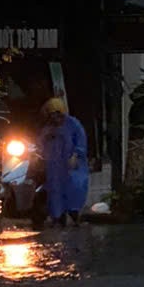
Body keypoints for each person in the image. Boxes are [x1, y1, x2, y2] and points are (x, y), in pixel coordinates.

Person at [39, 97, 89, 226]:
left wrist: (76, 155)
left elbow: (81, 141)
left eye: (57, 114)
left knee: (75, 187)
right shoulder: (48, 128)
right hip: (54, 165)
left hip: (71, 163)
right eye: (51, 115)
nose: (55, 118)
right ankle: (57, 216)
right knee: (55, 190)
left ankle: (74, 214)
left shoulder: (73, 124)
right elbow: (41, 143)